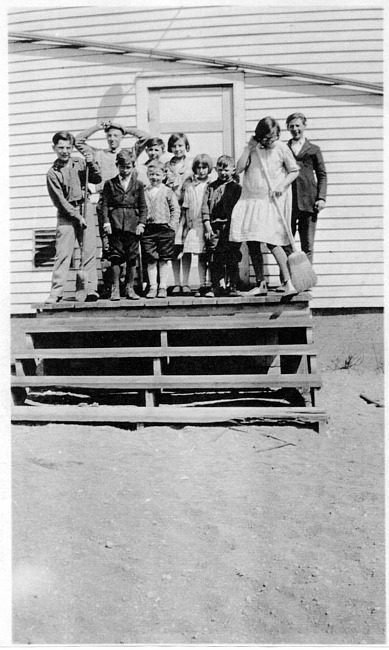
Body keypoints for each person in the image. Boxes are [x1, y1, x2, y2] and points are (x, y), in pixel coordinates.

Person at [75, 119, 151, 293]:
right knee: (109, 247)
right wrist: (97, 127)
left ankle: (129, 286)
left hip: (128, 210)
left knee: (130, 249)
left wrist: (124, 128)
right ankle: (111, 286)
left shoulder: (129, 153)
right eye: (109, 135)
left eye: (116, 135)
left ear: (121, 137)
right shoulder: (99, 154)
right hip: (107, 206)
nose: (112, 138)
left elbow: (145, 137)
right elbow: (78, 141)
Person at [229, 117, 300, 296]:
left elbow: (294, 171)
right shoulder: (253, 150)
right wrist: (249, 148)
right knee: (252, 241)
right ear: (259, 136)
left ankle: (288, 281)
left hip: (270, 201)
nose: (269, 141)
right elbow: (238, 169)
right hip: (251, 200)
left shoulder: (281, 148)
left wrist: (281, 186)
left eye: (273, 137)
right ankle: (261, 283)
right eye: (266, 138)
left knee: (273, 241)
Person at [45, 131, 102, 304]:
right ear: (54, 148)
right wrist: (77, 216)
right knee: (63, 253)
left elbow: (96, 178)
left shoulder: (80, 162)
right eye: (61, 148)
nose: (65, 151)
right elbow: (60, 201)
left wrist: (91, 162)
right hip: (67, 215)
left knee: (89, 251)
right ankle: (56, 292)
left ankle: (89, 289)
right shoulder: (52, 173)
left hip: (85, 207)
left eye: (68, 147)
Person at [100, 149, 147, 301]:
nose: (125, 170)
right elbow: (104, 205)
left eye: (128, 167)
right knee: (115, 256)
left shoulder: (138, 185)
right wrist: (106, 222)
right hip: (116, 224)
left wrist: (141, 223)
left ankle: (130, 288)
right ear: (117, 166)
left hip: (133, 226)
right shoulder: (110, 184)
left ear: (133, 166)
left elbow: (143, 207)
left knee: (132, 257)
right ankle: (115, 289)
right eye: (122, 167)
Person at [286, 112, 327, 264]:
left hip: (309, 202)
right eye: (291, 126)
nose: (295, 129)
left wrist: (321, 198)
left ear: (304, 126)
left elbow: (322, 174)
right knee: (287, 242)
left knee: (307, 243)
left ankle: (306, 281)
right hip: (289, 202)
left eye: (298, 125)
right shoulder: (284, 149)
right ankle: (289, 280)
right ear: (287, 128)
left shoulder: (313, 149)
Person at [202, 155, 242, 297]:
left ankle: (233, 286)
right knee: (214, 257)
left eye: (226, 170)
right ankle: (216, 286)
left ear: (233, 170)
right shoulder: (211, 187)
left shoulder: (237, 188)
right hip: (215, 227)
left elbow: (240, 209)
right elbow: (205, 208)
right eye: (220, 170)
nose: (223, 173)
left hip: (231, 227)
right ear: (216, 170)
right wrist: (207, 225)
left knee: (232, 256)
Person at [142, 161, 180, 299]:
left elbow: (175, 209)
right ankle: (153, 286)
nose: (154, 177)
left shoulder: (168, 191)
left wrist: (172, 225)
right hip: (148, 229)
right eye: (151, 174)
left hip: (164, 228)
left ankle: (163, 286)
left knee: (164, 258)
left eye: (158, 174)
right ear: (147, 175)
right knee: (151, 258)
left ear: (164, 175)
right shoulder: (144, 191)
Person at [164, 132, 193, 295]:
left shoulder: (191, 164)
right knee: (175, 247)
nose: (177, 149)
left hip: (188, 210)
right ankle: (176, 282)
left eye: (180, 145)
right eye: (174, 146)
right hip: (172, 211)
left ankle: (187, 282)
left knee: (186, 246)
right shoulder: (167, 166)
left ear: (186, 146)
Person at [181, 154, 213, 296]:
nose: (201, 171)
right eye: (198, 168)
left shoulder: (211, 185)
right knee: (197, 254)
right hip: (195, 225)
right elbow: (186, 207)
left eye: (204, 167)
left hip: (208, 224)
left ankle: (211, 283)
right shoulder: (190, 187)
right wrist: (187, 226)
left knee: (208, 255)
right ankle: (201, 283)